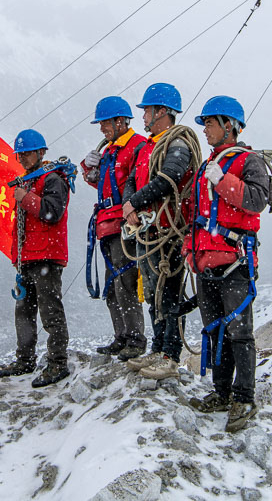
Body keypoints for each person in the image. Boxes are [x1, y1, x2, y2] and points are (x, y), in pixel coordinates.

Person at [184, 96, 270, 433]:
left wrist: (222, 181)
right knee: (215, 329)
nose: (205, 129)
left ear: (229, 126)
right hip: (206, 262)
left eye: (209, 123)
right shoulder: (208, 166)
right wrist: (189, 250)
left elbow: (257, 200)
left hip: (235, 262)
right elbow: (196, 214)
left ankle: (244, 397)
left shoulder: (249, 162)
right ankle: (222, 393)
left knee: (239, 333)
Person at [121, 83, 199, 380]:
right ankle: (158, 347)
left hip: (169, 231)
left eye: (147, 111)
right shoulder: (147, 148)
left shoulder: (178, 143)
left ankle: (170, 355)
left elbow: (169, 178)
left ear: (162, 112)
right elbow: (132, 179)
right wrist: (130, 205)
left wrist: (134, 203)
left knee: (169, 293)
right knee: (153, 293)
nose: (143, 116)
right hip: (148, 230)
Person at [0, 128, 72, 388]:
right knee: (24, 310)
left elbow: (53, 212)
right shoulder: (29, 181)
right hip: (29, 257)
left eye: (26, 154)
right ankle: (25, 359)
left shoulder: (53, 179)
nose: (22, 159)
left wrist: (26, 198)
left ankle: (58, 362)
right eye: (20, 155)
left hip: (46, 257)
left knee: (50, 310)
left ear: (41, 152)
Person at [81, 96, 149, 361]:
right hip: (107, 224)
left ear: (120, 121)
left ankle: (135, 339)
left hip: (124, 224)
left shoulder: (137, 147)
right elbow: (104, 184)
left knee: (125, 281)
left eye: (105, 123)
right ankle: (121, 336)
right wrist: (88, 170)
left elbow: (137, 184)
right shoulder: (111, 150)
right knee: (113, 283)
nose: (102, 128)